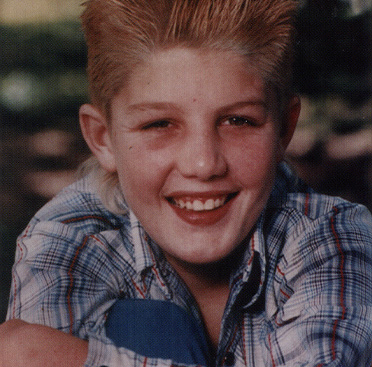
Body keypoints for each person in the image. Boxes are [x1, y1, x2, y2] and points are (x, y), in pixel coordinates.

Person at [1, 0, 372, 366]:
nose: (203, 164)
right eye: (158, 124)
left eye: (238, 121)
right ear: (103, 139)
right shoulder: (69, 235)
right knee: (147, 326)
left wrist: (78, 359)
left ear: (284, 130)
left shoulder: (333, 236)